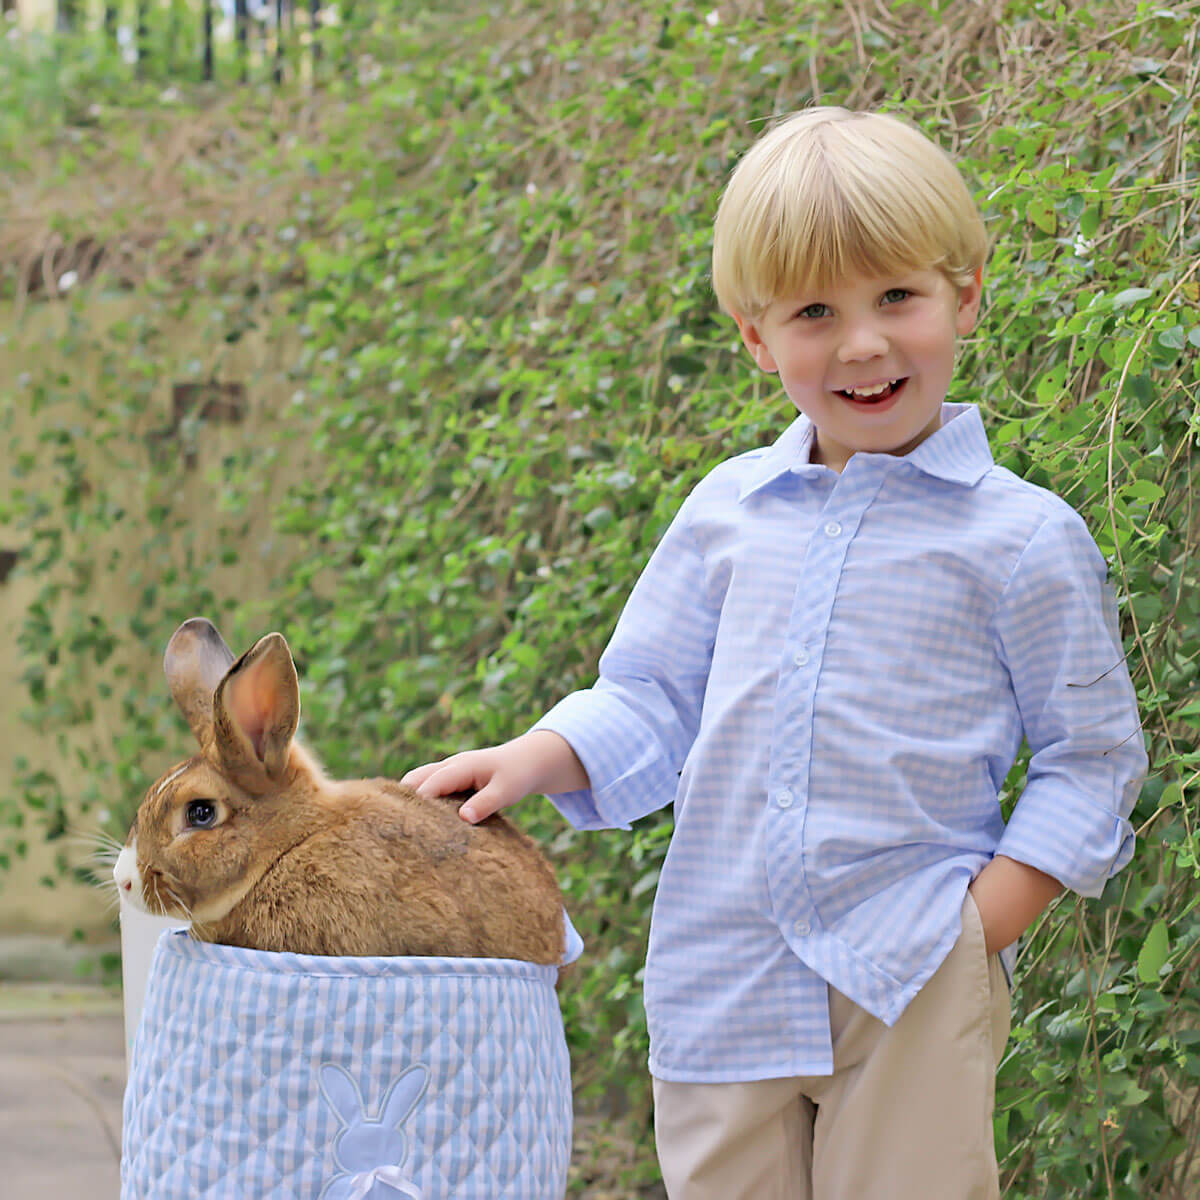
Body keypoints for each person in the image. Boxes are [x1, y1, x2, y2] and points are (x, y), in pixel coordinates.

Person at [402, 106, 1147, 1199]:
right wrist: (538, 754)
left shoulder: (1023, 539)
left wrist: (974, 928)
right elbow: (650, 695)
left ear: (965, 295)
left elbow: (1093, 758)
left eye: (898, 295)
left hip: (910, 973)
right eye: (814, 311)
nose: (862, 343)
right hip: (725, 966)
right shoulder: (727, 514)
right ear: (757, 338)